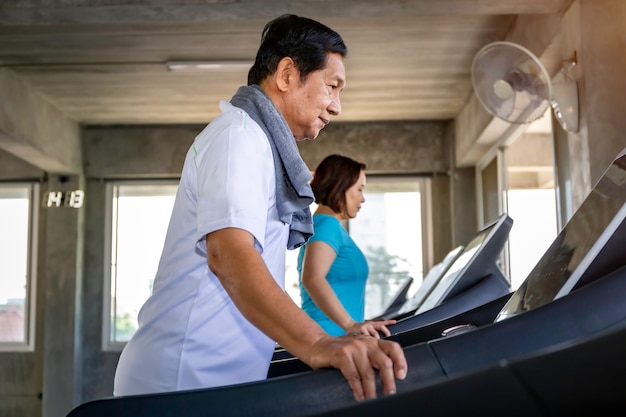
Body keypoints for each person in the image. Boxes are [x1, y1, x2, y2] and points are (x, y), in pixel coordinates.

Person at [113, 14, 407, 402]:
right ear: (287, 74)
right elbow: (229, 253)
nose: (336, 106)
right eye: (332, 87)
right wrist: (319, 342)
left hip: (217, 378)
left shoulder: (260, 146)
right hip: (185, 379)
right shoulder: (239, 137)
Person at [298, 154, 396, 337]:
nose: (362, 198)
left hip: (337, 335)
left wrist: (359, 323)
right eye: (359, 189)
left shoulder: (328, 226)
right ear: (340, 187)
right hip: (329, 337)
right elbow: (312, 278)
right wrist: (350, 324)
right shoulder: (327, 226)